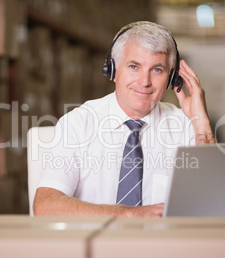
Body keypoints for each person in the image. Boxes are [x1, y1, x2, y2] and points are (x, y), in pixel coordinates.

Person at [33, 21, 215, 217]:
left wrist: (200, 121)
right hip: (95, 243)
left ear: (171, 79)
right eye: (134, 66)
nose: (144, 82)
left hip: (163, 245)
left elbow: (215, 201)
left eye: (157, 70)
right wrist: (128, 214)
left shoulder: (187, 127)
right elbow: (45, 206)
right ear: (112, 70)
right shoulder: (77, 124)